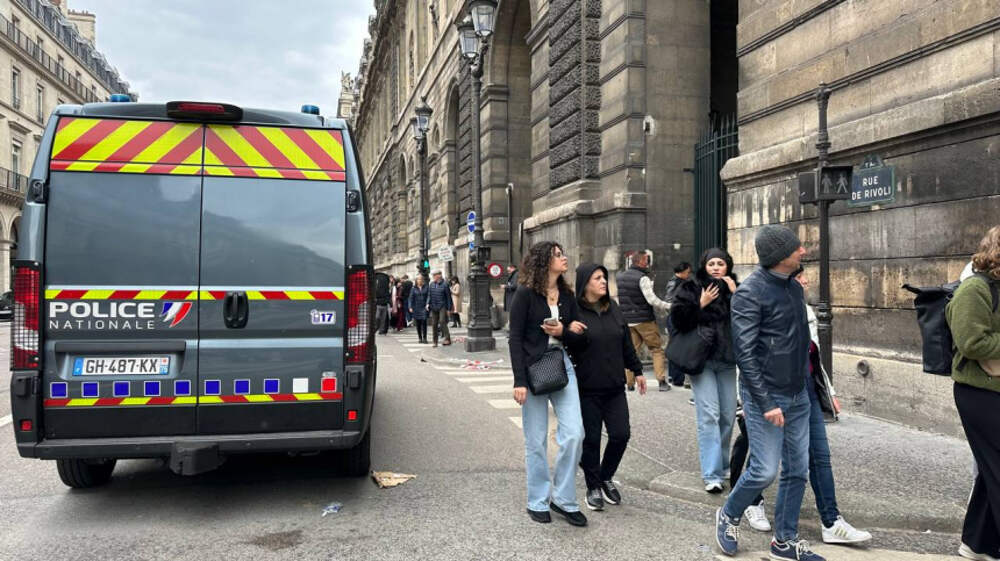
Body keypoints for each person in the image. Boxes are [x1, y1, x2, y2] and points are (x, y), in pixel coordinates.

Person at [730, 270, 871, 545]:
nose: (805, 281)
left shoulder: (804, 308)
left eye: (805, 277)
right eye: (800, 277)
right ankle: (748, 503)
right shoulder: (759, 299)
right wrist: (745, 400)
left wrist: (829, 392)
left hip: (805, 389)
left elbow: (812, 357)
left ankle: (829, 522)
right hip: (769, 390)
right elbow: (745, 357)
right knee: (764, 461)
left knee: (817, 458)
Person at [715, 224, 824, 561]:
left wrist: (808, 386)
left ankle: (784, 541)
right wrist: (765, 402)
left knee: (797, 470)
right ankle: (729, 514)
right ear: (779, 255)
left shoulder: (793, 287)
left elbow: (801, 342)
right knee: (764, 470)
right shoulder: (750, 293)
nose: (802, 251)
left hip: (798, 394)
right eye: (796, 248)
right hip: (766, 396)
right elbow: (745, 354)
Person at [509, 241, 588, 527]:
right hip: (532, 369)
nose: (564, 258)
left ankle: (563, 499)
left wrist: (563, 331)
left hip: (562, 365)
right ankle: (538, 500)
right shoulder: (525, 294)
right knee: (536, 439)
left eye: (563, 253)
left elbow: (580, 336)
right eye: (557, 255)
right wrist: (519, 381)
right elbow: (515, 338)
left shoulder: (567, 295)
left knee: (575, 433)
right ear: (544, 261)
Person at [567, 263, 646, 512]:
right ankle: (593, 486)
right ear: (585, 284)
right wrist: (568, 331)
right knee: (591, 440)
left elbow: (626, 344)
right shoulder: (574, 311)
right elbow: (566, 343)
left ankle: (605, 476)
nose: (603, 281)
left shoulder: (613, 308)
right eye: (597, 278)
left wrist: (638, 370)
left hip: (614, 387)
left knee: (621, 434)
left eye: (604, 277)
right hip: (586, 387)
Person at [947, 226, 1000, 561]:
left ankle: (978, 543)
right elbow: (970, 342)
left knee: (991, 469)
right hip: (979, 393)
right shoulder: (975, 289)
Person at [671, 248, 738, 494]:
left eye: (720, 263)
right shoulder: (691, 287)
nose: (716, 267)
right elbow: (677, 321)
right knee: (710, 414)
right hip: (702, 360)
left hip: (728, 359)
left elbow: (749, 319)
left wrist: (735, 295)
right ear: (704, 266)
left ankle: (723, 465)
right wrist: (701, 303)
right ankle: (712, 473)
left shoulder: (736, 288)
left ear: (728, 266)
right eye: (711, 264)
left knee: (728, 415)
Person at [616, 250, 672, 391]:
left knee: (631, 351)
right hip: (644, 320)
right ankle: (661, 381)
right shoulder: (642, 278)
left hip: (627, 320)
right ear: (640, 261)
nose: (648, 263)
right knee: (656, 349)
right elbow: (652, 300)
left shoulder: (620, 277)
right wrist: (669, 305)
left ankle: (629, 383)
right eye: (647, 260)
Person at [665, 262, 692, 387]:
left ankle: (673, 375)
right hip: (678, 317)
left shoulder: (674, 281)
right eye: (688, 271)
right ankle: (677, 377)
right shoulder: (677, 283)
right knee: (679, 346)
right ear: (683, 271)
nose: (689, 274)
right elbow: (671, 301)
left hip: (674, 317)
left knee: (675, 345)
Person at [427, 270, 453, 347]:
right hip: (433, 306)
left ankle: (447, 339)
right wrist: (427, 303)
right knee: (434, 324)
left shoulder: (445, 284)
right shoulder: (431, 284)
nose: (433, 277)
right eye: (433, 275)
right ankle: (435, 341)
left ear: (439, 275)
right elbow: (429, 295)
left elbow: (448, 297)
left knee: (442, 321)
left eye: (434, 275)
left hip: (442, 306)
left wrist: (449, 309)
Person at [408, 275, 430, 344]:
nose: (419, 280)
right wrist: (410, 307)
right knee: (418, 324)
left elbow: (428, 296)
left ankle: (425, 338)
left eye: (421, 279)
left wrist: (427, 303)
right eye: (418, 279)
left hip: (424, 307)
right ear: (416, 280)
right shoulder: (413, 288)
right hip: (416, 308)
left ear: (422, 280)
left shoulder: (426, 287)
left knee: (424, 322)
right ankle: (420, 338)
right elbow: (410, 298)